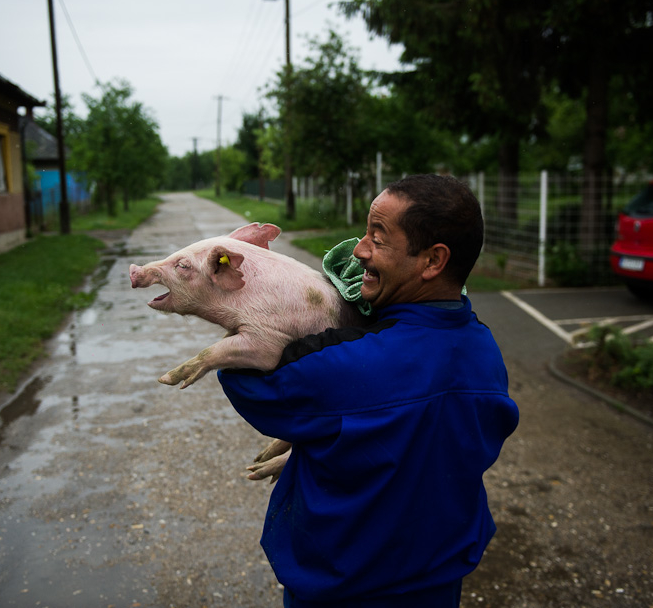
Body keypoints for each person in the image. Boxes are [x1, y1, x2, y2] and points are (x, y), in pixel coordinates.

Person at [217, 174, 519, 607]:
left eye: (378, 238)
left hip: (344, 590)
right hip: (436, 584)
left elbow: (252, 379)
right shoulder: (485, 352)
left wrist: (244, 301)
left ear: (432, 261)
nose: (359, 249)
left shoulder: (354, 364)